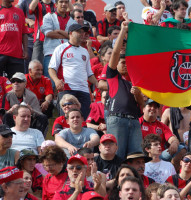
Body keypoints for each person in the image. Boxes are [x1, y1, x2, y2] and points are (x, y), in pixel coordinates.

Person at [105, 21, 144, 159]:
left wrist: (138, 94)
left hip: (134, 121)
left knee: (137, 156)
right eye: (123, 62)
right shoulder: (113, 76)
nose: (126, 65)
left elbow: (142, 105)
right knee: (118, 156)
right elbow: (115, 52)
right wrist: (123, 30)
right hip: (117, 119)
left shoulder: (136, 81)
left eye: (128, 63)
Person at [48, 23, 98, 120]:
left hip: (84, 91)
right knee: (66, 120)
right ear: (70, 33)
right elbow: (51, 68)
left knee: (84, 120)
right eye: (79, 32)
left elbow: (89, 73)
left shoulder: (85, 51)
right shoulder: (61, 48)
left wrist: (97, 83)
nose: (82, 34)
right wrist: (57, 81)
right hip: (67, 89)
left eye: (84, 32)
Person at [139, 99, 183, 169]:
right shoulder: (137, 123)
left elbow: (171, 138)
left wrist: (174, 142)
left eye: (155, 107)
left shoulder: (162, 126)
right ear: (143, 109)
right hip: (143, 155)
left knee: (181, 148)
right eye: (150, 106)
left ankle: (172, 173)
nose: (153, 108)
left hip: (160, 155)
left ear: (158, 111)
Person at [41, 0, 76, 78]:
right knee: (51, 83)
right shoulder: (48, 16)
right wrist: (68, 35)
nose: (64, 4)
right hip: (51, 53)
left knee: (66, 81)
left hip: (68, 54)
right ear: (56, 4)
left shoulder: (72, 21)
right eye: (61, 2)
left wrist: (59, 31)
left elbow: (75, 37)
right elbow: (48, 33)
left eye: (66, 2)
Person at [0, 0, 28, 79]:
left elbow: (24, 33)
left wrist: (25, 50)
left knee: (17, 82)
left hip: (16, 55)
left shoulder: (19, 12)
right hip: (1, 53)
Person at [29, 0, 55, 64]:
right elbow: (31, 9)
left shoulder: (55, 5)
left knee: (51, 64)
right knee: (36, 63)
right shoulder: (38, 4)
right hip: (40, 38)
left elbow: (70, 10)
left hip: (53, 39)